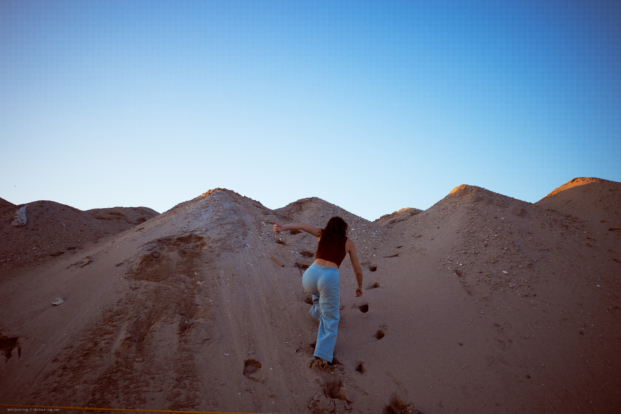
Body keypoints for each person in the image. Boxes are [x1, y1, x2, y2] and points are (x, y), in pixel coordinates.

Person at [273, 216, 363, 368]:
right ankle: (323, 355)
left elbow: (302, 225)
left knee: (320, 293)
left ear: (329, 226)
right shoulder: (348, 243)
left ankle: (318, 311)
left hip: (310, 275)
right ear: (344, 229)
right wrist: (359, 285)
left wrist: (283, 227)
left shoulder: (321, 233)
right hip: (329, 276)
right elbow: (357, 268)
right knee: (331, 318)